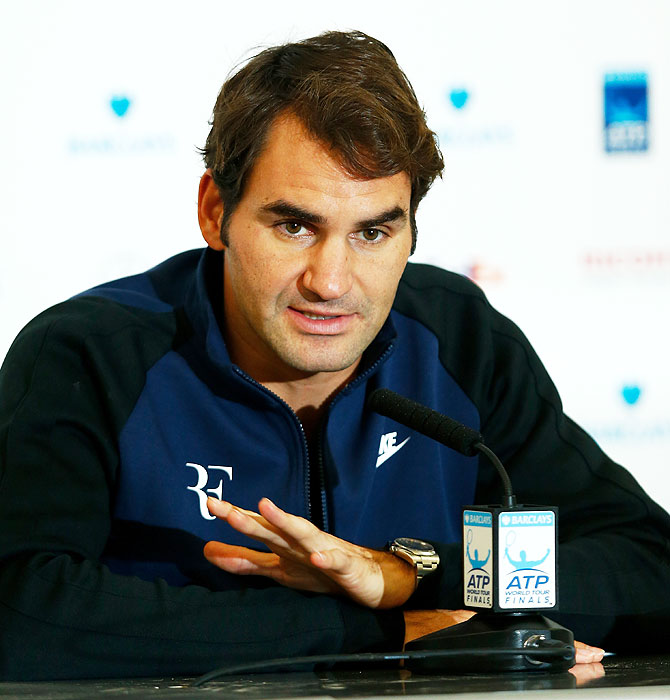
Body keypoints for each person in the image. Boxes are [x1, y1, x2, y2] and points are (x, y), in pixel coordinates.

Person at [0, 30, 668, 682]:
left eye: (373, 232)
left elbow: (651, 567)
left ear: (410, 231)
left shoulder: (460, 339)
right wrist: (374, 633)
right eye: (295, 226)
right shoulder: (91, 355)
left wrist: (405, 575)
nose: (331, 281)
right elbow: (19, 606)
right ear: (214, 212)